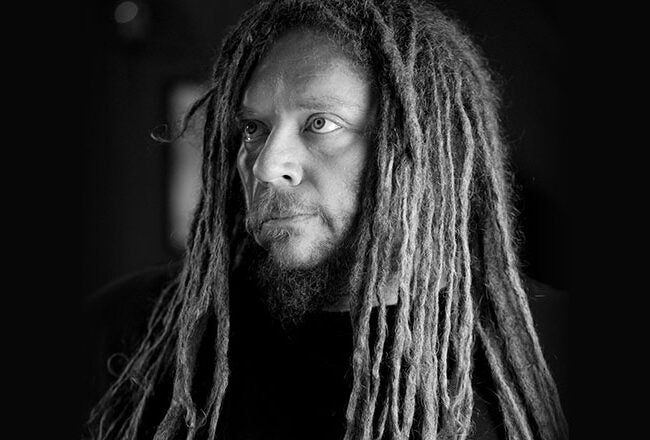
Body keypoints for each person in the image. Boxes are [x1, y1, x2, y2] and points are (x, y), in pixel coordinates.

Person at [82, 0, 569, 439]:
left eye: (320, 124)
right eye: (254, 128)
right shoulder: (136, 330)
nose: (268, 165)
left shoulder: (548, 353)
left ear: (423, 154)